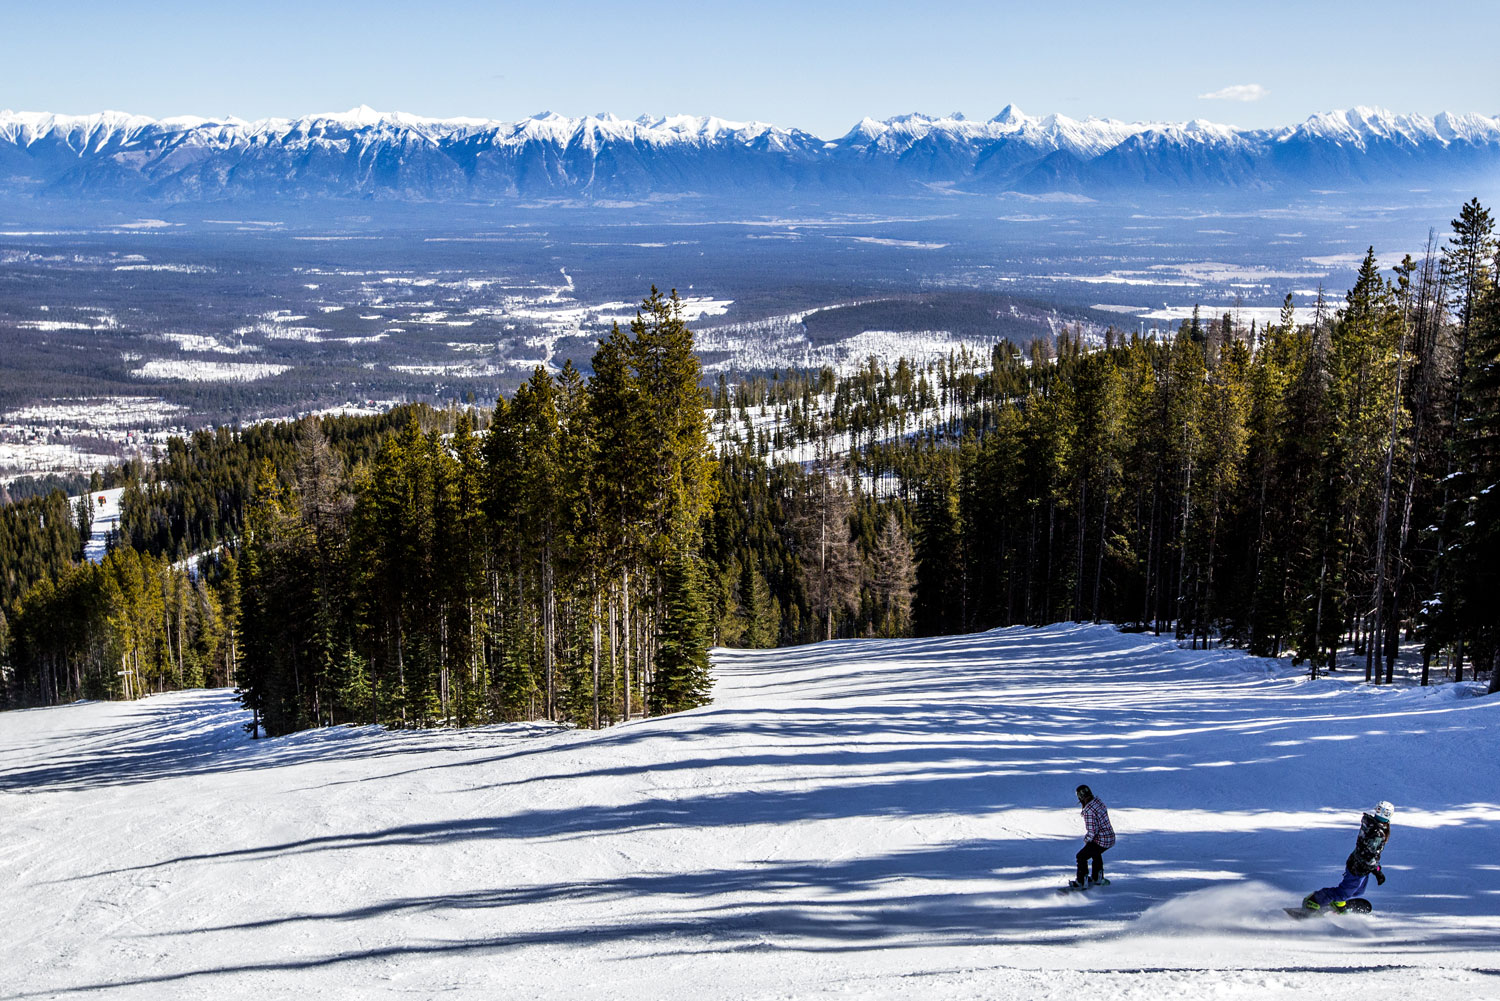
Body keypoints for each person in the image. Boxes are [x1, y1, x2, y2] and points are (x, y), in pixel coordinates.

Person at [1302, 801, 1393, 912]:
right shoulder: (1377, 832)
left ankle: (1339, 900)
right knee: (1344, 892)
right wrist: (1377, 870)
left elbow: (1371, 853)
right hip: (1358, 867)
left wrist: (1376, 868)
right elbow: (1369, 854)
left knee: (1358, 890)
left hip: (1361, 865)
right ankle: (1314, 900)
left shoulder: (1373, 825)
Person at [1071, 784, 1115, 889]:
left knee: (1081, 856)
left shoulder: (1089, 811)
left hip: (1102, 839)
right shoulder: (1098, 802)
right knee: (1095, 851)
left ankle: (1081, 882)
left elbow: (1092, 831)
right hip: (1110, 837)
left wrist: (1086, 840)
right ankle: (1097, 877)